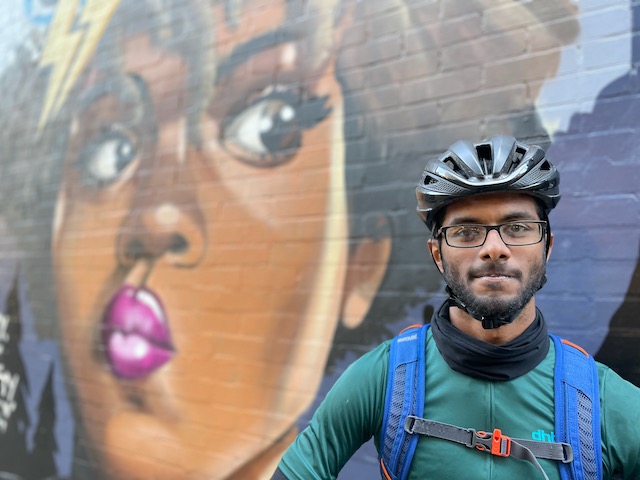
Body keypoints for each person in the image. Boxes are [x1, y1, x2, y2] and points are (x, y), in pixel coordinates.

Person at [271, 135, 640, 480]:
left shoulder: (606, 402)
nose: (494, 248)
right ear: (437, 255)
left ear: (547, 247)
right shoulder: (384, 379)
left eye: (517, 227)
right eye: (466, 231)